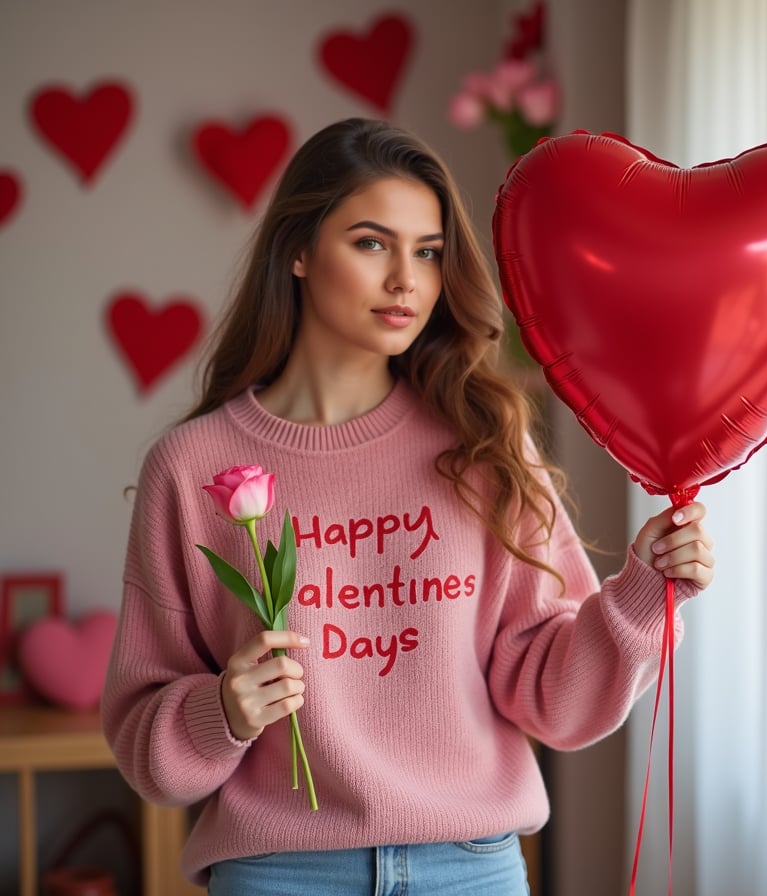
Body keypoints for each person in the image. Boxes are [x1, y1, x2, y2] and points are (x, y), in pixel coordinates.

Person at [101, 117, 714, 895]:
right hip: (282, 874)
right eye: (372, 244)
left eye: (427, 252)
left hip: (470, 870)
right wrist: (220, 710)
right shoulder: (192, 470)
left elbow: (552, 699)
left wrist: (641, 593)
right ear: (297, 250)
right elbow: (142, 739)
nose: (407, 281)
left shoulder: (484, 443)